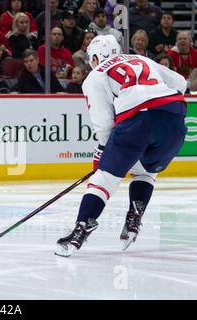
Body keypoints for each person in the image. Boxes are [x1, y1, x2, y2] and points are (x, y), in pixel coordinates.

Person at [55, 34, 188, 257]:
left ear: (96, 57)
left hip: (138, 120)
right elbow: (181, 83)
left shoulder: (95, 76)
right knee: (145, 171)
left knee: (104, 180)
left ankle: (81, 230)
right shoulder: (142, 59)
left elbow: (104, 125)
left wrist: (103, 159)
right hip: (174, 117)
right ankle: (134, 218)